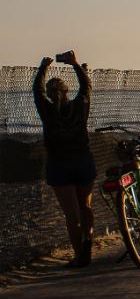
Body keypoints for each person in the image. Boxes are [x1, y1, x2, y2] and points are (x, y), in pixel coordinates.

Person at [33, 51, 95, 268]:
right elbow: (86, 87)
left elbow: (36, 91)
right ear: (67, 92)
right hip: (83, 160)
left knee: (72, 214)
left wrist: (42, 68)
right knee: (86, 206)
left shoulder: (47, 111)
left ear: (50, 95)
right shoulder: (80, 107)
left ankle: (79, 254)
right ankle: (88, 238)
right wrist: (75, 64)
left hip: (59, 164)